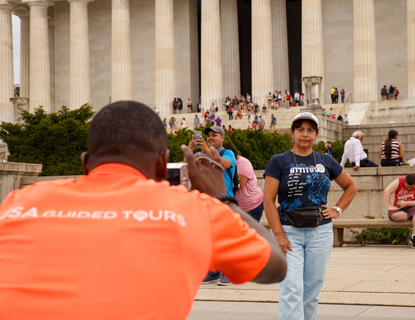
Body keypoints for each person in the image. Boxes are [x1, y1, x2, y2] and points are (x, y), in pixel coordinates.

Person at [0, 101, 287, 319]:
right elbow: (274, 266)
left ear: (86, 163)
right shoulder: (192, 210)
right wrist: (220, 199)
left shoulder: (20, 202)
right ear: (163, 166)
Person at [263, 112, 357, 319]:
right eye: (300, 130)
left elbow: (351, 186)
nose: (305, 134)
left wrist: (337, 209)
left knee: (311, 291)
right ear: (292, 133)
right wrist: (278, 234)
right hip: (288, 232)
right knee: (291, 289)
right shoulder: (279, 161)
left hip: (320, 232)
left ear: (316, 135)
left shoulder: (326, 160)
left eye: (310, 130)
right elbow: (268, 200)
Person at [187, 125, 237, 286]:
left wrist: (207, 151)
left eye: (214, 135)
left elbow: (223, 163)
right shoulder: (200, 154)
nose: (210, 138)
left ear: (223, 138)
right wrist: (189, 152)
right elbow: (186, 170)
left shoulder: (228, 153)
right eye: (208, 135)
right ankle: (213, 271)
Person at [384, 174, 415, 249]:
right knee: (393, 215)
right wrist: (389, 206)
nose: (409, 188)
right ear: (404, 182)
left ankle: (414, 237)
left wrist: (407, 203)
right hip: (400, 207)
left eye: (412, 187)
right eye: (407, 187)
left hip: (414, 206)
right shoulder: (399, 181)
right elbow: (386, 191)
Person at [224, 144, 264, 222]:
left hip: (251, 206)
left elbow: (238, 185)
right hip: (237, 208)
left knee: (250, 232)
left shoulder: (242, 163)